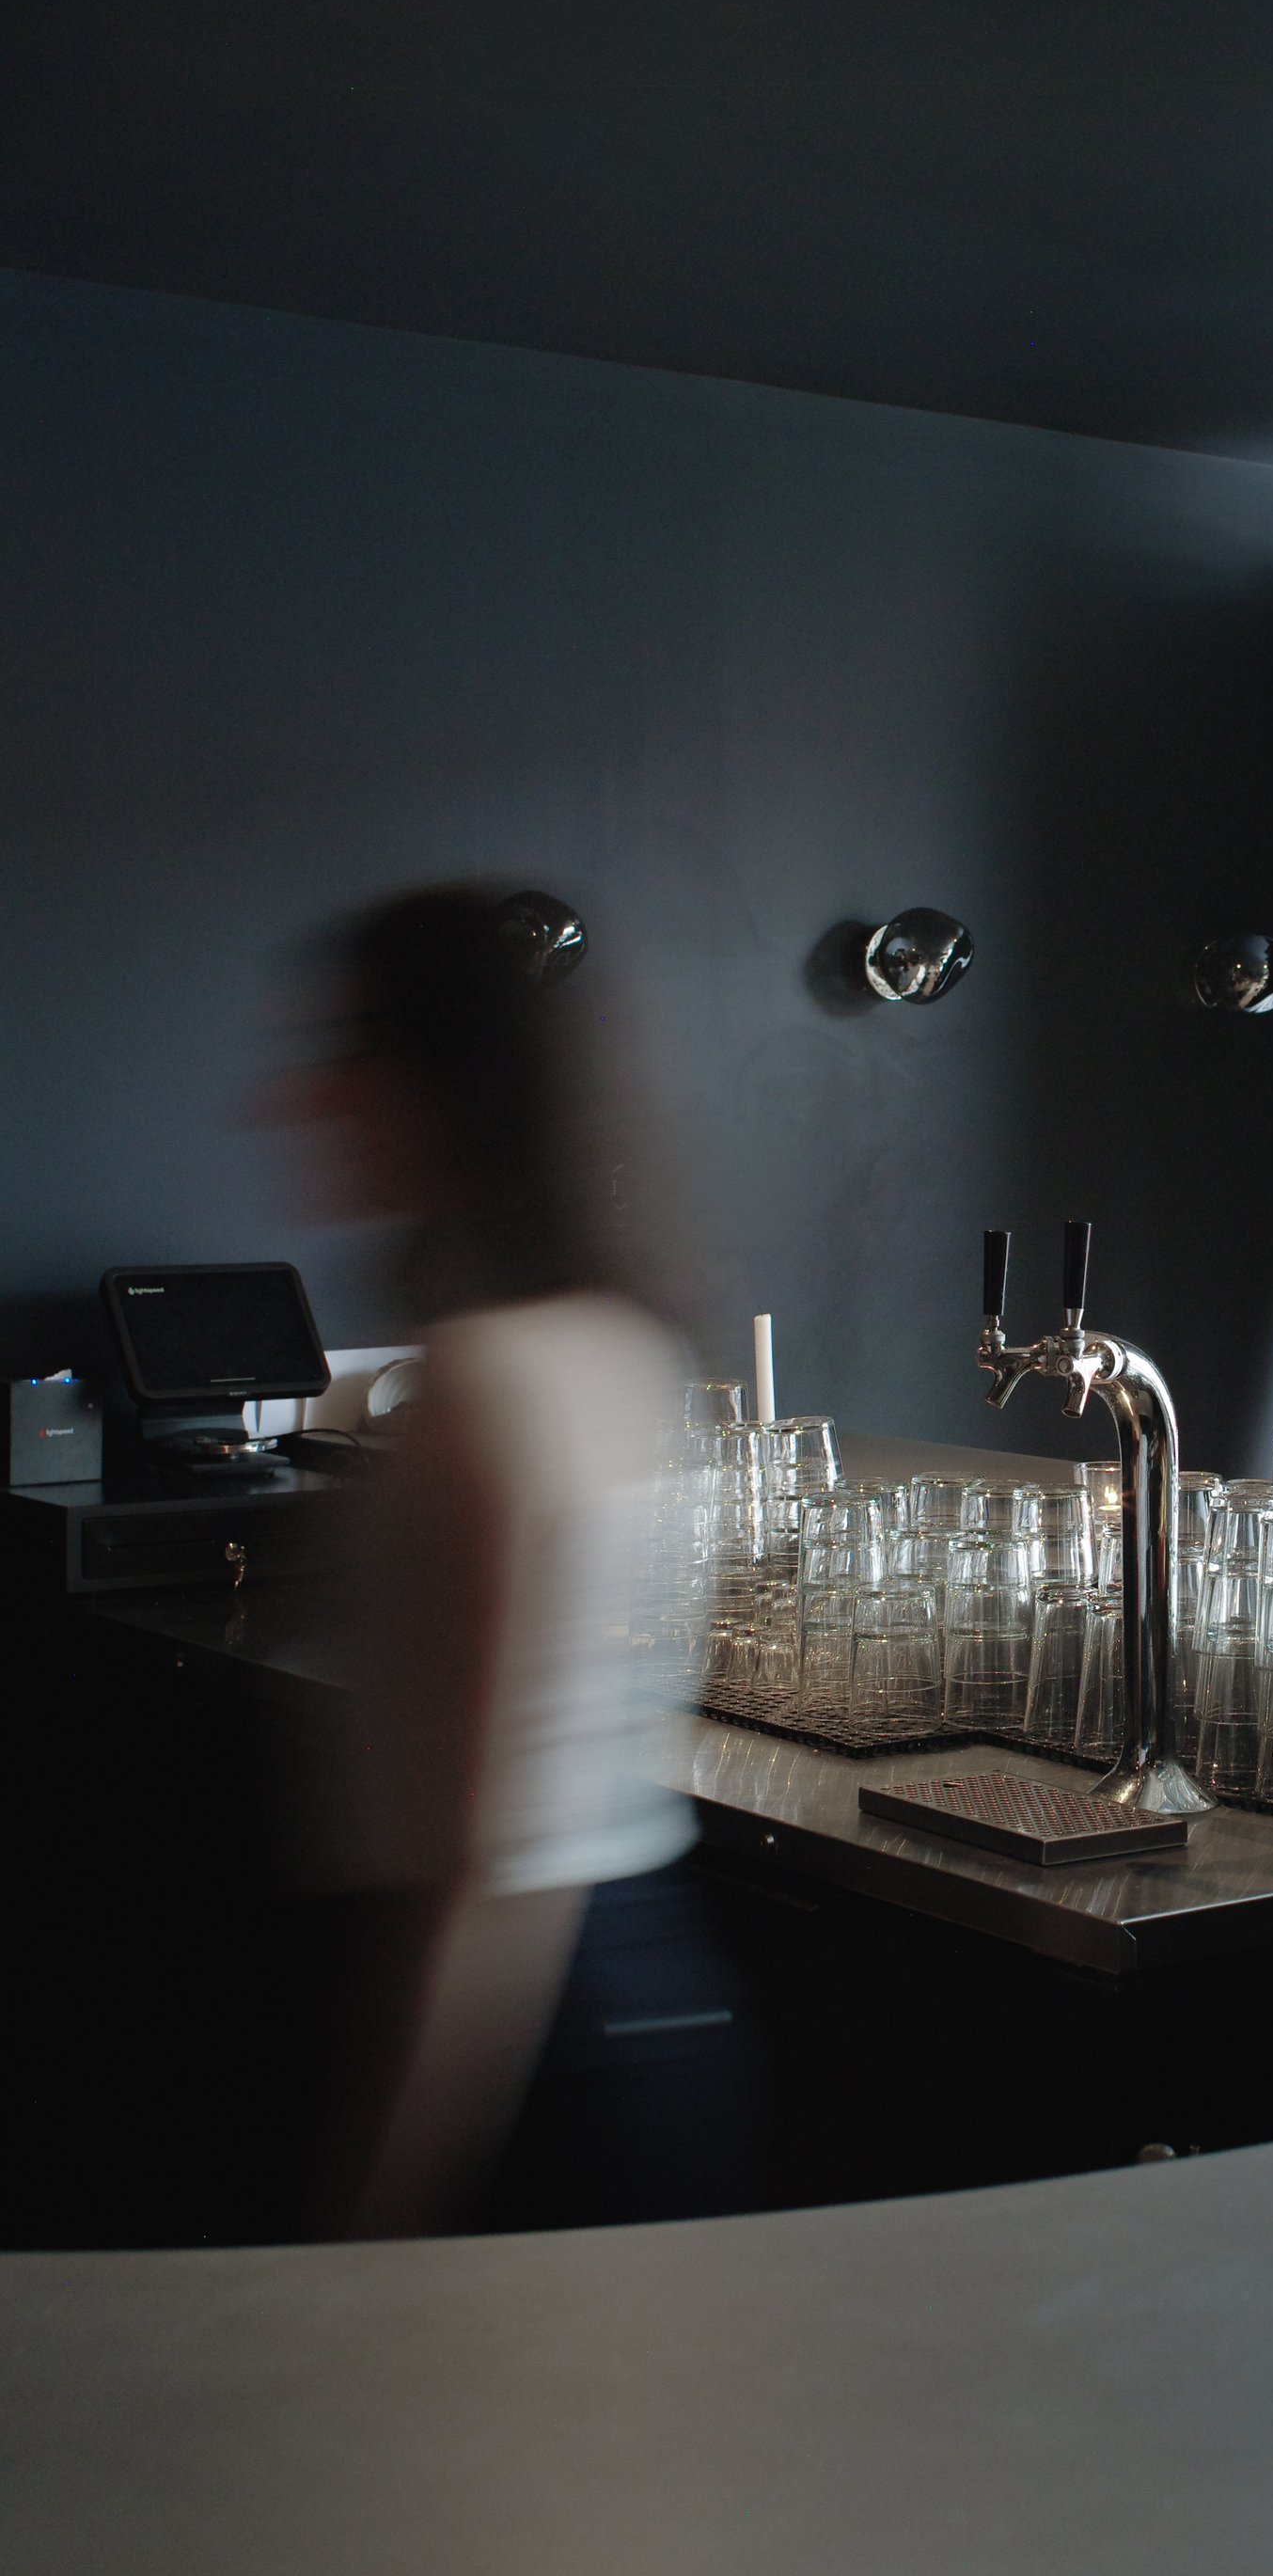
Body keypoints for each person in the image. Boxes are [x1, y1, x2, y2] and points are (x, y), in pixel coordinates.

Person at [275, 885, 762, 2235]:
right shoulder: (621, 1334)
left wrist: (375, 2202)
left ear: (446, 1086)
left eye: (345, 1051)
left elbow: (483, 1863)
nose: (300, 1101)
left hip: (523, 2040)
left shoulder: (484, 1383)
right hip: (651, 1987)